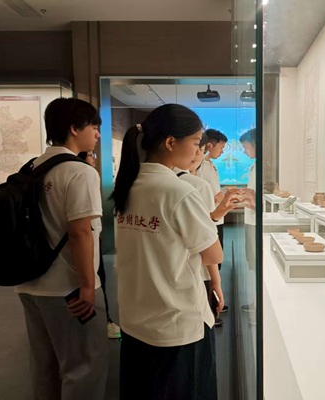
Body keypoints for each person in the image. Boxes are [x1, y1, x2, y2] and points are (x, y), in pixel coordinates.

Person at [111, 104, 223, 400]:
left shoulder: (128, 185)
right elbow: (214, 255)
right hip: (176, 325)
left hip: (135, 320)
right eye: (196, 142)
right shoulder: (179, 191)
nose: (198, 150)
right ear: (171, 142)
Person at [15, 98, 108, 400]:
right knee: (83, 366)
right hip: (69, 289)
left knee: (45, 365)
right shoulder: (80, 173)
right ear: (74, 128)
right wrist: (88, 286)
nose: (97, 134)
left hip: (30, 283)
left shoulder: (32, 167)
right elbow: (80, 232)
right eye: (93, 127)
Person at [175, 140, 240, 327]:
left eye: (200, 149)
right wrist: (216, 281)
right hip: (195, 270)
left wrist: (217, 213)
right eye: (197, 147)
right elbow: (211, 251)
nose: (198, 154)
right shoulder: (195, 184)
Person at [78, 150, 121, 339]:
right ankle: (106, 322)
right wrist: (88, 286)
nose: (94, 158)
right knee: (97, 281)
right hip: (87, 246)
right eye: (91, 154)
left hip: (91, 241)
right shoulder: (85, 174)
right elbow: (80, 230)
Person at [198, 128, 231, 312]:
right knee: (209, 265)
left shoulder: (210, 165)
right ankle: (211, 306)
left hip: (217, 219)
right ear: (209, 145)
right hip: (209, 219)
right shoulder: (200, 167)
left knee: (216, 264)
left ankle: (214, 303)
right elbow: (208, 196)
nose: (222, 151)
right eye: (221, 147)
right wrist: (222, 196)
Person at [240, 129, 257, 315]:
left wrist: (251, 201)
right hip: (250, 220)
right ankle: (255, 301)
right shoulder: (254, 166)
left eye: (246, 147)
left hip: (254, 221)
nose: (245, 151)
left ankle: (256, 302)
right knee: (251, 262)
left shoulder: (262, 167)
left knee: (255, 263)